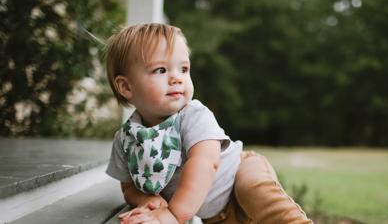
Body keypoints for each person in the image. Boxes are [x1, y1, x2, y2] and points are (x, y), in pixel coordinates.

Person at [104, 23, 312, 224]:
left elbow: (204, 163)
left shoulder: (193, 116)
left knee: (258, 194)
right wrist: (145, 199)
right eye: (160, 70)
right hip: (214, 216)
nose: (177, 78)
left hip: (239, 172)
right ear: (126, 86)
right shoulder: (126, 140)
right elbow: (128, 187)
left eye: (184, 69)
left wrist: (174, 215)